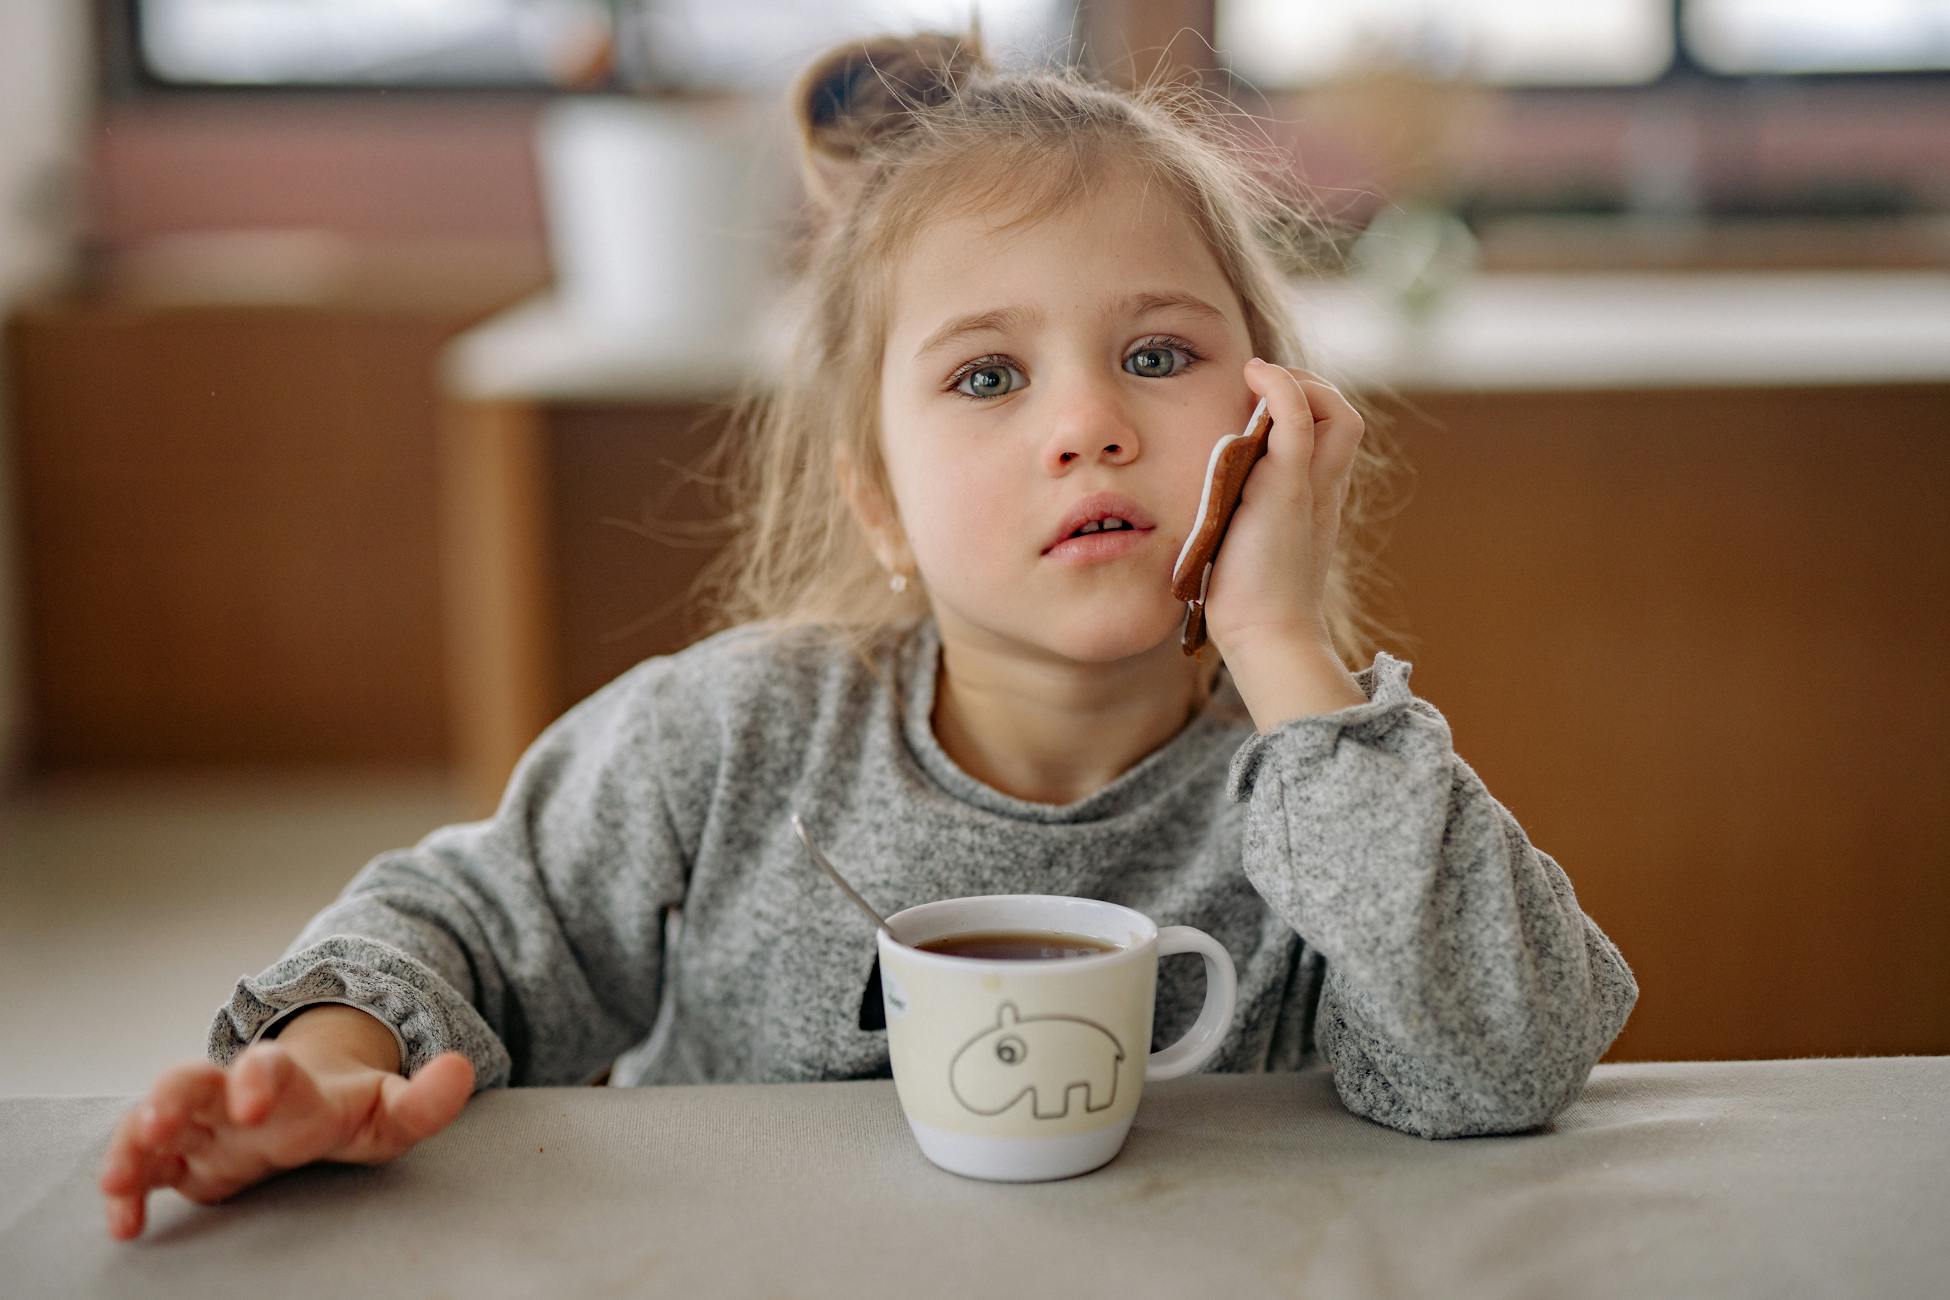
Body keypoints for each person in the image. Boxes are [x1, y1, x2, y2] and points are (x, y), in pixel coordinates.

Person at [99, 30, 1637, 1241]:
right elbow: (461, 923)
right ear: (880, 506)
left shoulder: (1329, 789)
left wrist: (1286, 648)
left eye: (1156, 354)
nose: (1089, 425)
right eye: (985, 379)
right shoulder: (731, 736)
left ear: (1275, 426)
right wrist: (328, 1064)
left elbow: (1498, 1064)